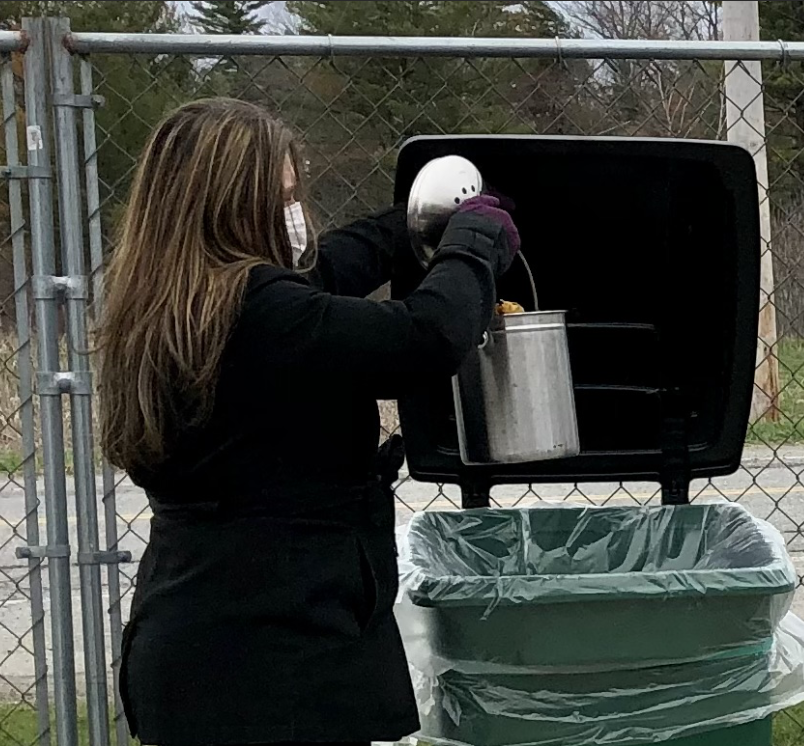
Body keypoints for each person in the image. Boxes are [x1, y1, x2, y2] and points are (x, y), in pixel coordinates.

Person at [96, 97, 520, 746]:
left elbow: (324, 269)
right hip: (273, 665)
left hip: (196, 644)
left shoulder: (172, 303)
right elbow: (426, 337)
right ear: (233, 211)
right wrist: (472, 248)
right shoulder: (261, 316)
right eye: (284, 199)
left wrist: (410, 225)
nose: (297, 215)